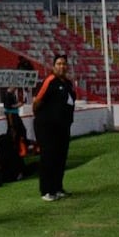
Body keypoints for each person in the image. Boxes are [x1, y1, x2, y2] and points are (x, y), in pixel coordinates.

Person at [33, 54, 76, 202]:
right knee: (48, 157)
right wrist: (43, 117)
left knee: (60, 157)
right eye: (58, 64)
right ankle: (46, 190)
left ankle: (57, 187)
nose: (61, 66)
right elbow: (37, 101)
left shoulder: (68, 84)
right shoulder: (50, 81)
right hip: (47, 127)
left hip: (63, 127)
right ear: (53, 66)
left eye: (64, 64)